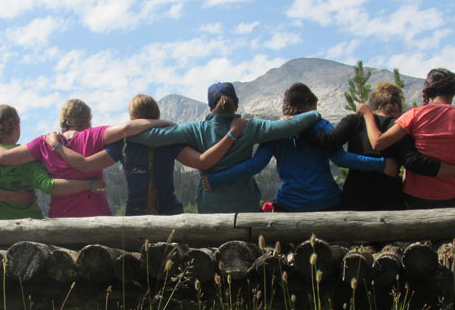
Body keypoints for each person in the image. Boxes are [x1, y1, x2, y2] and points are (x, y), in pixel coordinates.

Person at [126, 82, 322, 213]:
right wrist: (314, 114)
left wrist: (158, 124)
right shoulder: (250, 127)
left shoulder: (196, 130)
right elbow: (291, 125)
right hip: (245, 206)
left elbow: (149, 138)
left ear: (210, 107)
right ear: (236, 105)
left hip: (210, 207)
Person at [202, 83, 397, 212]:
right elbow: (341, 159)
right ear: (306, 105)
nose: (316, 111)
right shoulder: (321, 125)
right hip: (327, 202)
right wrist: (382, 164)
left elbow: (255, 165)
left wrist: (216, 179)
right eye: (314, 106)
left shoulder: (276, 132)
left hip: (290, 205)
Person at [42, 94, 247, 215]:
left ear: (132, 118)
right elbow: (204, 161)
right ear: (156, 114)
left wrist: (57, 146)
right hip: (171, 214)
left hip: (135, 217)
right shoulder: (170, 140)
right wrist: (231, 134)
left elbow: (85, 165)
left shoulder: (124, 143)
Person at [0, 99, 175, 217]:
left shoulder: (44, 143)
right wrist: (162, 122)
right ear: (87, 120)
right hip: (97, 216)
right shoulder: (94, 135)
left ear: (63, 120)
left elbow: (4, 157)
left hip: (61, 219)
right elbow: (127, 128)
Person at [299, 82, 455, 210]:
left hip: (356, 199)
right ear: (397, 105)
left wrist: (299, 128)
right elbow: (413, 162)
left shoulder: (355, 121)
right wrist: (454, 170)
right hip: (390, 201)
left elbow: (328, 141)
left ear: (374, 104)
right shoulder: (400, 128)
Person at [362, 68, 455, 209]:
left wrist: (367, 114)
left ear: (428, 91)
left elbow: (378, 143)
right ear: (454, 91)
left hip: (417, 199)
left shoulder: (413, 115)